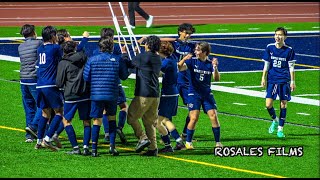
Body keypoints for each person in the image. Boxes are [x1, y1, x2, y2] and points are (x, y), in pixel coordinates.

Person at [83, 36, 130, 157]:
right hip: (112, 94)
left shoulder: (92, 59)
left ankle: (94, 149)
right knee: (112, 118)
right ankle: (112, 147)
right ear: (112, 47)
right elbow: (124, 76)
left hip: (96, 94)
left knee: (96, 120)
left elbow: (86, 77)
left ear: (100, 47)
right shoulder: (117, 59)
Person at [177, 41, 223, 149]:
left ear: (205, 52)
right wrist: (184, 59)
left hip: (207, 94)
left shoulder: (210, 63)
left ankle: (217, 142)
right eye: (196, 49)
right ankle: (188, 142)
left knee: (213, 115)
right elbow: (179, 67)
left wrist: (215, 68)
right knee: (194, 117)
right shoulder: (192, 62)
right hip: (194, 93)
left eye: (198, 50)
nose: (195, 52)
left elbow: (216, 78)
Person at [51, 29, 90, 148]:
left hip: (70, 95)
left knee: (66, 120)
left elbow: (59, 82)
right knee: (87, 121)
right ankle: (86, 147)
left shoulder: (63, 62)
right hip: (85, 93)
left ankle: (75, 147)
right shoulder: (83, 56)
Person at [126, 35, 162, 156]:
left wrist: (126, 53)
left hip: (143, 93)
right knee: (149, 121)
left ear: (148, 45)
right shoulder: (157, 58)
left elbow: (130, 64)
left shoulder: (143, 57)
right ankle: (153, 148)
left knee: (131, 116)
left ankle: (142, 137)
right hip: (155, 94)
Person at [161, 23, 196, 141]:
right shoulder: (173, 45)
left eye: (189, 34)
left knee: (192, 109)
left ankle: (185, 134)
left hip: (187, 82)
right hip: (175, 80)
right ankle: (168, 134)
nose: (187, 36)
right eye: (186, 33)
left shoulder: (193, 46)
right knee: (168, 109)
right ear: (180, 32)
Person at [94, 28, 128, 145]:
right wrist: (124, 54)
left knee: (104, 111)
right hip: (114, 84)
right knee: (123, 107)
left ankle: (107, 133)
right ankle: (119, 127)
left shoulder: (96, 50)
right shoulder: (116, 49)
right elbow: (122, 65)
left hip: (98, 86)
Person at [261, 27, 296, 138]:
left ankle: (280, 129)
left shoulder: (289, 50)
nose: (277, 37)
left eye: (280, 35)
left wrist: (292, 81)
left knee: (283, 104)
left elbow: (291, 67)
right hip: (272, 79)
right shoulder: (269, 47)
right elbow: (266, 64)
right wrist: (263, 77)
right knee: (268, 104)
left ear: (285, 37)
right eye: (276, 34)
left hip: (284, 80)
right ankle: (275, 120)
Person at [34, 26, 64, 151]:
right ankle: (47, 138)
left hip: (40, 84)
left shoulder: (40, 49)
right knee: (59, 112)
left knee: (44, 112)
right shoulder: (56, 47)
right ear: (52, 36)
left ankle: (39, 141)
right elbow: (63, 58)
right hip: (51, 84)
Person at [156, 41, 186, 153]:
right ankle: (176, 141)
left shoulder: (166, 62)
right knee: (165, 119)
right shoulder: (172, 59)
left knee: (160, 120)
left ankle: (173, 142)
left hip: (168, 93)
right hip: (173, 92)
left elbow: (157, 73)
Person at [18, 24, 43, 143]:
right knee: (42, 105)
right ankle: (33, 127)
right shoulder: (38, 44)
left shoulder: (20, 46)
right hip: (34, 79)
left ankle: (29, 136)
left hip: (23, 79)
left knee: (28, 107)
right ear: (33, 33)